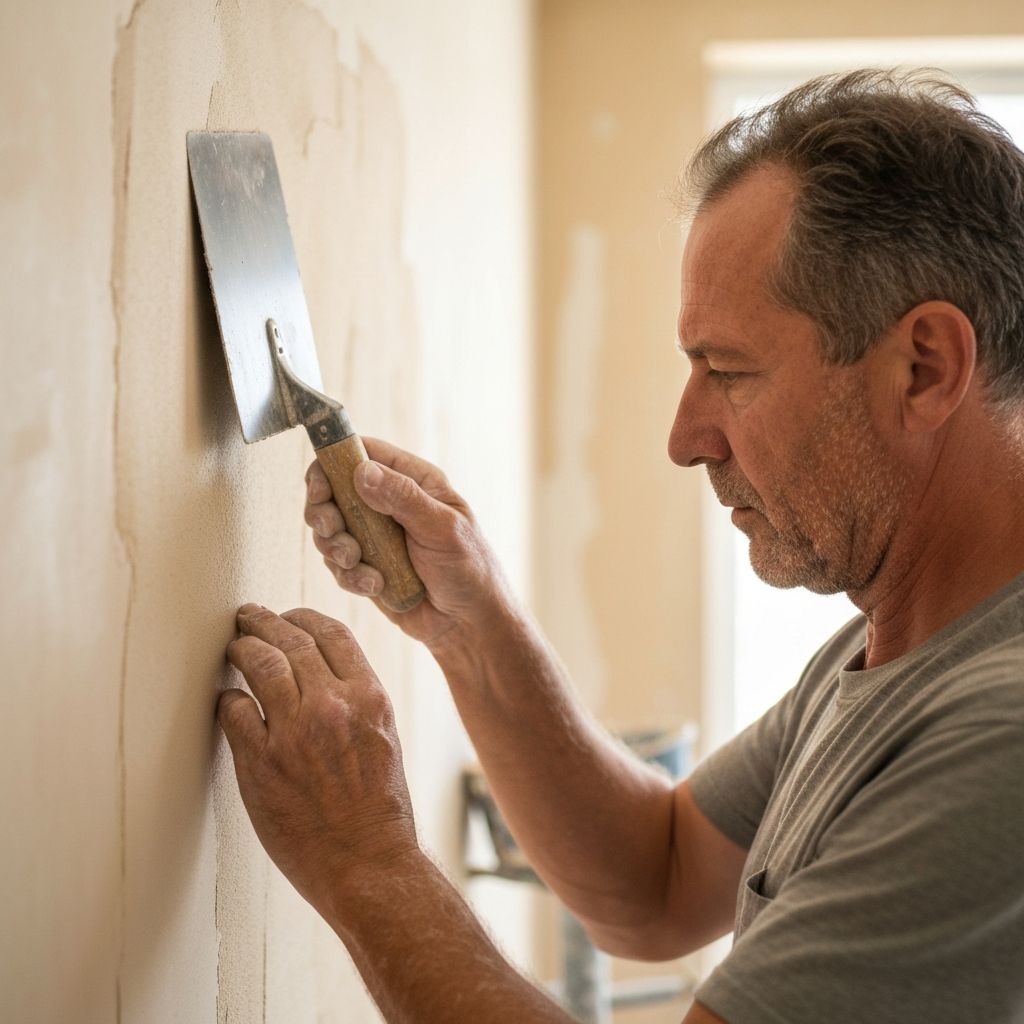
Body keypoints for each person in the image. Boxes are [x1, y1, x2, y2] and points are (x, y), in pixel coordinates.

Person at [216, 69, 1024, 1023]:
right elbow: (655, 879)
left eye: (729, 371)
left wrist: (365, 860)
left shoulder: (998, 738)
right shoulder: (891, 647)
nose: (685, 439)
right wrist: (470, 621)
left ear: (925, 367)